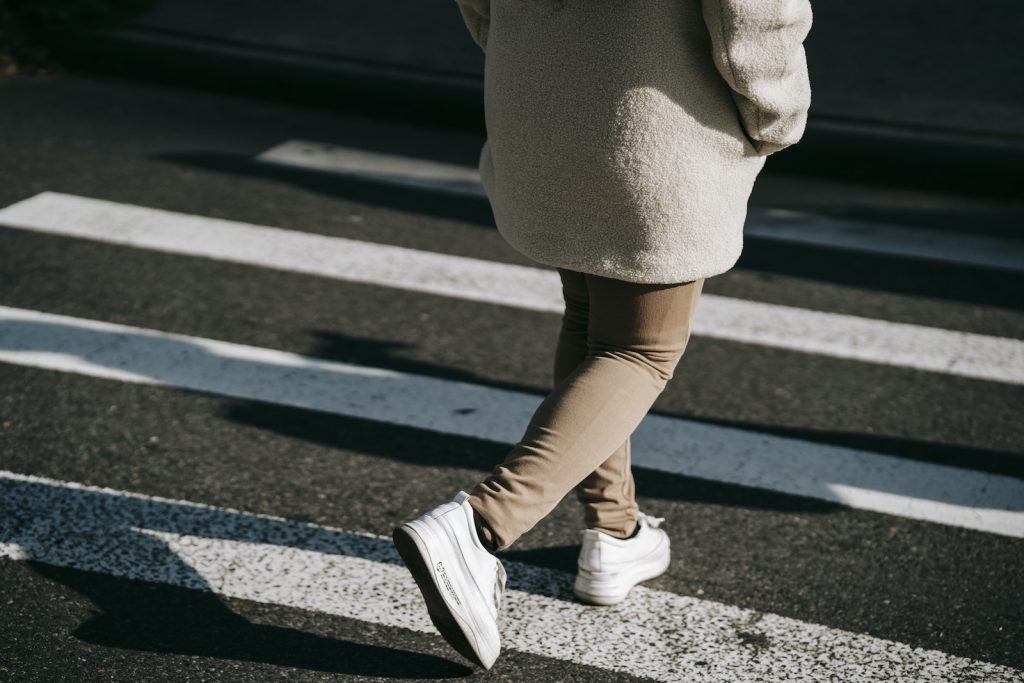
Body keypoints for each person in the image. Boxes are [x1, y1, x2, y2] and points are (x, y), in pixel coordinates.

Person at [392, 0, 813, 670]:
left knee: (594, 323)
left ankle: (613, 530)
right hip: (658, 118)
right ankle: (481, 522)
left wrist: (521, 54)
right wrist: (777, 112)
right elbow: (755, 12)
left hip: (540, 102)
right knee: (641, 349)